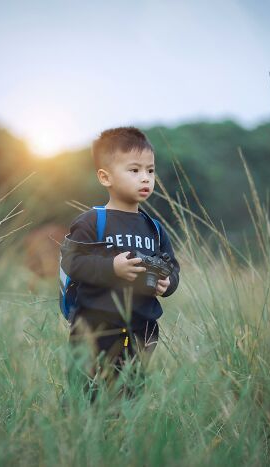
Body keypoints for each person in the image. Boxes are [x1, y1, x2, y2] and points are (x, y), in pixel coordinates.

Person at [60, 127, 180, 401]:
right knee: (87, 396)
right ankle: (80, 439)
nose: (145, 178)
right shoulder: (93, 221)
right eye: (134, 170)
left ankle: (122, 441)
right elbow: (72, 262)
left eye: (150, 170)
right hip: (94, 329)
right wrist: (111, 268)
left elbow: (172, 267)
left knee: (130, 397)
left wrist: (167, 282)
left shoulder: (155, 228)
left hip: (141, 330)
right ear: (105, 177)